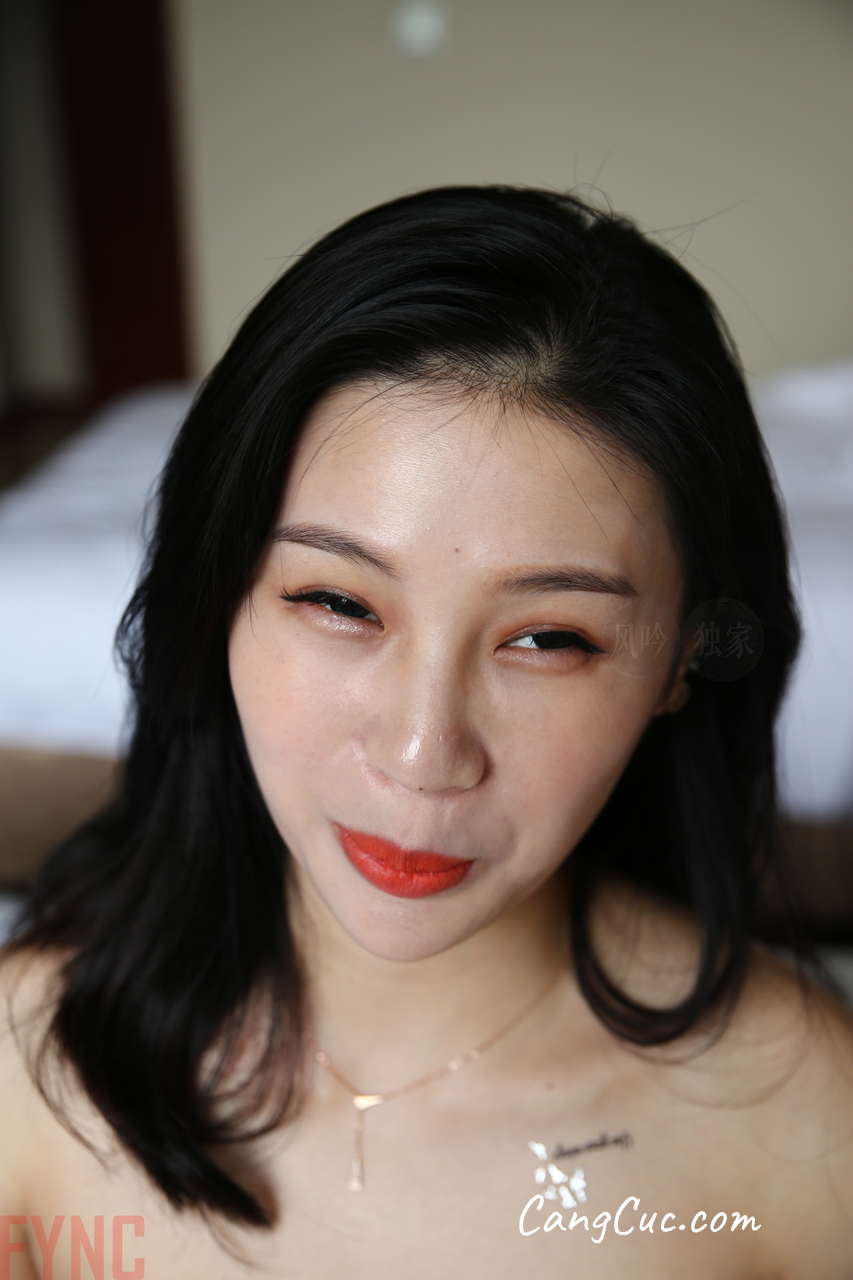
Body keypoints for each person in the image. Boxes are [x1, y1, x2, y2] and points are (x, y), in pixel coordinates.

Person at [1, 185, 851, 1278]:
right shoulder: (31, 1058)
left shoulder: (803, 1118)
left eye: (549, 637)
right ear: (216, 596)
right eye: (338, 602)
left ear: (681, 660)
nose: (420, 756)